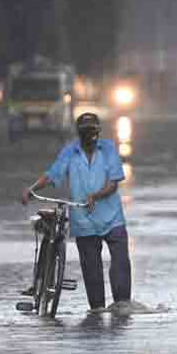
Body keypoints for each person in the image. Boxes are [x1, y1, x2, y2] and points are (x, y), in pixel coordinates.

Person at [22, 112, 130, 311]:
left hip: (112, 218)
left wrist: (95, 196)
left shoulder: (108, 149)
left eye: (93, 132)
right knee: (92, 275)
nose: (90, 137)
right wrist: (32, 189)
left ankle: (122, 308)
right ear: (79, 134)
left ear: (98, 132)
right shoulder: (69, 152)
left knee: (120, 264)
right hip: (84, 220)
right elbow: (53, 174)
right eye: (86, 133)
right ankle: (97, 312)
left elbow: (113, 183)